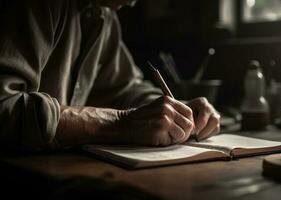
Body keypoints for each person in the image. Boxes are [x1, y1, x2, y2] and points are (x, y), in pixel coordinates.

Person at [0, 0, 220, 151]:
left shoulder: (103, 13)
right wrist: (117, 122)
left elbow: (124, 88)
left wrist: (175, 111)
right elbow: (4, 106)